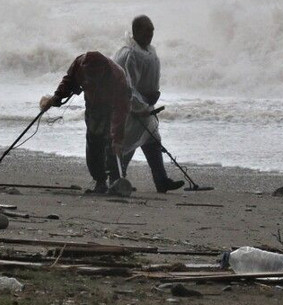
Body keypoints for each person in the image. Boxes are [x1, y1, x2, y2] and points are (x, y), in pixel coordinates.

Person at [40, 51, 131, 194]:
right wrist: (58, 95)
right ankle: (100, 180)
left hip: (112, 105)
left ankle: (116, 179)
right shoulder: (79, 63)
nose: (92, 80)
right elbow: (69, 80)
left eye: (95, 77)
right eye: (89, 76)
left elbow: (121, 110)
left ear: (103, 71)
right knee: (94, 140)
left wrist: (118, 138)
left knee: (112, 141)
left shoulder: (117, 76)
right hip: (93, 105)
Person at [113, 15, 185, 193]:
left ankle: (161, 181)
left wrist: (152, 98)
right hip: (131, 109)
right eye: (147, 31)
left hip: (145, 106)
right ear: (136, 31)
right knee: (128, 143)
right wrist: (141, 104)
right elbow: (127, 87)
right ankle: (116, 180)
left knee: (152, 140)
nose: (150, 35)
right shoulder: (130, 54)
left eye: (152, 31)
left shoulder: (149, 50)